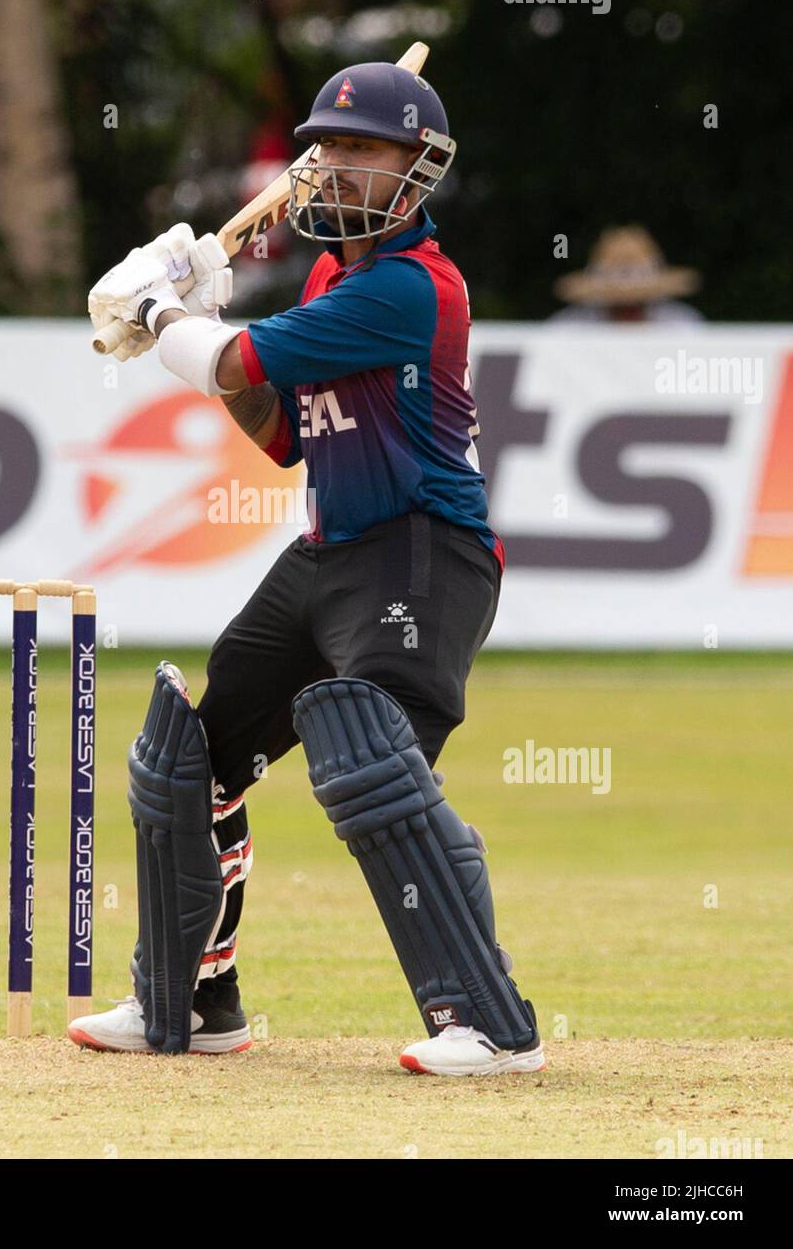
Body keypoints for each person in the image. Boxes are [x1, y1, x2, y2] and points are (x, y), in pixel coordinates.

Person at [75, 60, 544, 1077]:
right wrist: (202, 313)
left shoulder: (411, 289)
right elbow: (280, 430)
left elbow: (234, 364)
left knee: (367, 761)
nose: (328, 164)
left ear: (417, 171)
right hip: (330, 550)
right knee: (191, 758)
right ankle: (197, 1002)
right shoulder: (333, 276)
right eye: (322, 146)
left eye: (359, 150)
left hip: (424, 557)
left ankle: (488, 1024)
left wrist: (165, 315)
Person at [549, 225, 704, 326]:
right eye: (619, 306)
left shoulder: (681, 324)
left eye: (637, 304)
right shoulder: (570, 327)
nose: (628, 312)